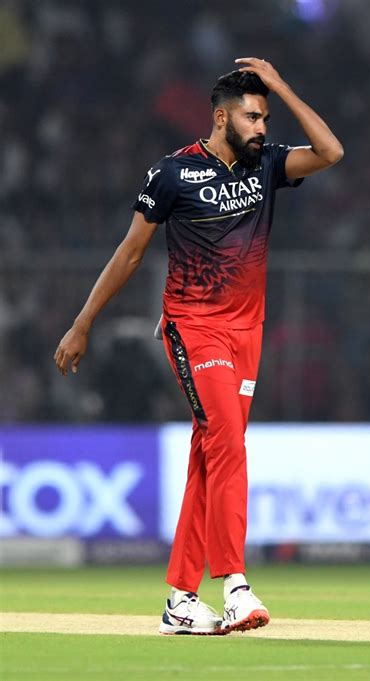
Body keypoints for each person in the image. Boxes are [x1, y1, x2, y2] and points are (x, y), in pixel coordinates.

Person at [54, 57, 343, 635]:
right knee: (228, 443)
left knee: (209, 455)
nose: (262, 127)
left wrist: (282, 86)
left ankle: (180, 600)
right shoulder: (172, 174)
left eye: (265, 116)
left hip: (247, 332)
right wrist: (83, 321)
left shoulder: (266, 166)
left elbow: (331, 152)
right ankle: (234, 585)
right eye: (252, 116)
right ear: (220, 117)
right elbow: (130, 252)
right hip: (194, 327)